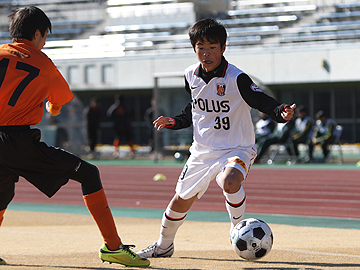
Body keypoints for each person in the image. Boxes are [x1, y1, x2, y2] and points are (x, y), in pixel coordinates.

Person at [0, 6, 149, 267]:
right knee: (89, 173)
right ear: (37, 34)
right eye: (45, 36)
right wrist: (50, 106)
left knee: (2, 193)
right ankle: (113, 247)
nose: (44, 42)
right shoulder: (44, 64)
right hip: (18, 142)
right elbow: (57, 104)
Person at [136, 18, 295, 258]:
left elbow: (262, 101)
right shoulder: (190, 75)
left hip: (237, 147)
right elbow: (193, 110)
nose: (206, 52)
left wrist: (280, 111)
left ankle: (238, 230)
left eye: (212, 46)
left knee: (230, 181)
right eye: (201, 47)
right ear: (194, 49)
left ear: (223, 48)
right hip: (203, 151)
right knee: (180, 200)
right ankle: (163, 245)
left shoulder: (237, 78)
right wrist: (175, 122)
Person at [107, 94, 135, 158]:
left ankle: (116, 152)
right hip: (125, 125)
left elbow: (109, 115)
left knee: (119, 138)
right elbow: (131, 114)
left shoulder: (115, 107)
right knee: (127, 138)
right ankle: (131, 152)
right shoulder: (126, 106)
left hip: (120, 126)